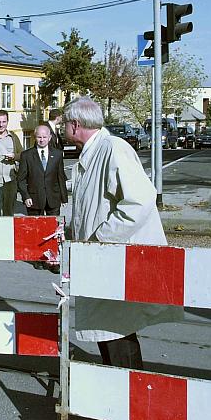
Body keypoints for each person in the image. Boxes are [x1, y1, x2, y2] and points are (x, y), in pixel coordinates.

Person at [62, 97, 182, 369]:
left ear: (75, 125)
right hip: (104, 258)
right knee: (110, 329)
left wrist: (100, 239)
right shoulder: (93, 152)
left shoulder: (114, 148)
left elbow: (139, 201)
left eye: (64, 123)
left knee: (116, 330)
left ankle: (129, 395)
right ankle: (121, 394)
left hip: (117, 259)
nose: (62, 129)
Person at [17, 124, 68, 216]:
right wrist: (26, 196)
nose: (42, 140)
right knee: (35, 229)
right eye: (39, 137)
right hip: (34, 200)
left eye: (44, 137)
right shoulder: (26, 155)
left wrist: (64, 198)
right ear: (35, 137)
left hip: (53, 199)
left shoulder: (57, 154)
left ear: (50, 138)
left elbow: (60, 177)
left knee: (53, 228)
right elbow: (21, 179)